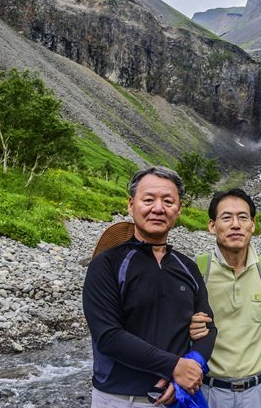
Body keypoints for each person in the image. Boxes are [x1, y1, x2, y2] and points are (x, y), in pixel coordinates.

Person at [83, 166, 217, 407]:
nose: (158, 208)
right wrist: (175, 367)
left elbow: (209, 326)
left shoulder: (187, 267)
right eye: (148, 200)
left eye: (168, 201)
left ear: (178, 210)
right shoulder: (106, 264)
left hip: (176, 396)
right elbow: (108, 336)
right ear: (131, 205)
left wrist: (193, 364)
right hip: (120, 398)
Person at [191, 188, 261, 408]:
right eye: (226, 217)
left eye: (243, 217)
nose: (235, 225)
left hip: (258, 393)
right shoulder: (197, 270)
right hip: (208, 390)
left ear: (252, 225)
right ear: (212, 226)